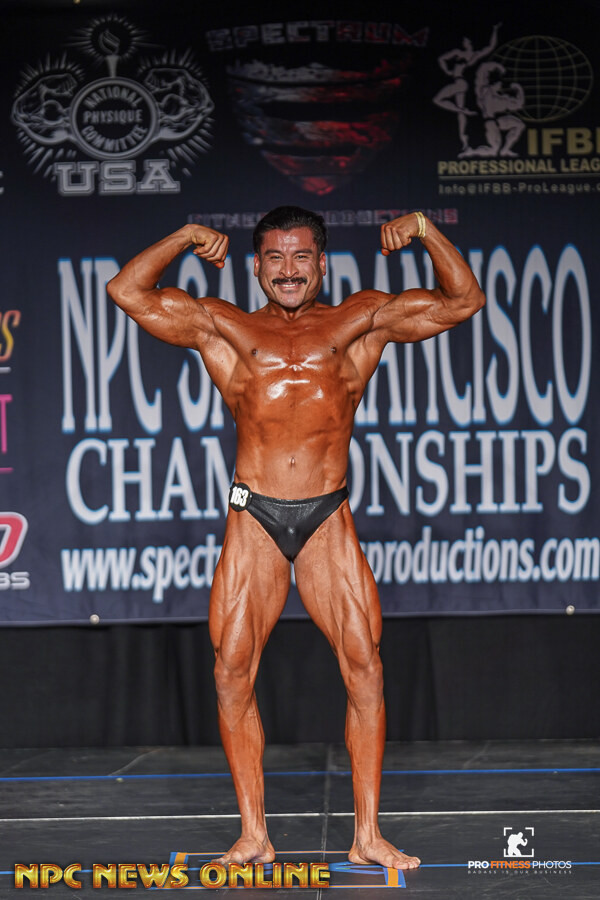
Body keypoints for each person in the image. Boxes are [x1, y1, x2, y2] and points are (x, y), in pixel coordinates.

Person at [107, 206, 485, 871]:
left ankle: (367, 834)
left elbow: (463, 301)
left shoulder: (359, 319)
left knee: (365, 666)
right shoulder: (224, 326)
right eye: (276, 258)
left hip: (326, 516)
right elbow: (127, 292)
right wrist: (185, 237)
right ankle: (254, 834)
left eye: (302, 256)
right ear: (257, 266)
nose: (289, 270)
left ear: (322, 263)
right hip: (254, 514)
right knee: (231, 672)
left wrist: (427, 231)